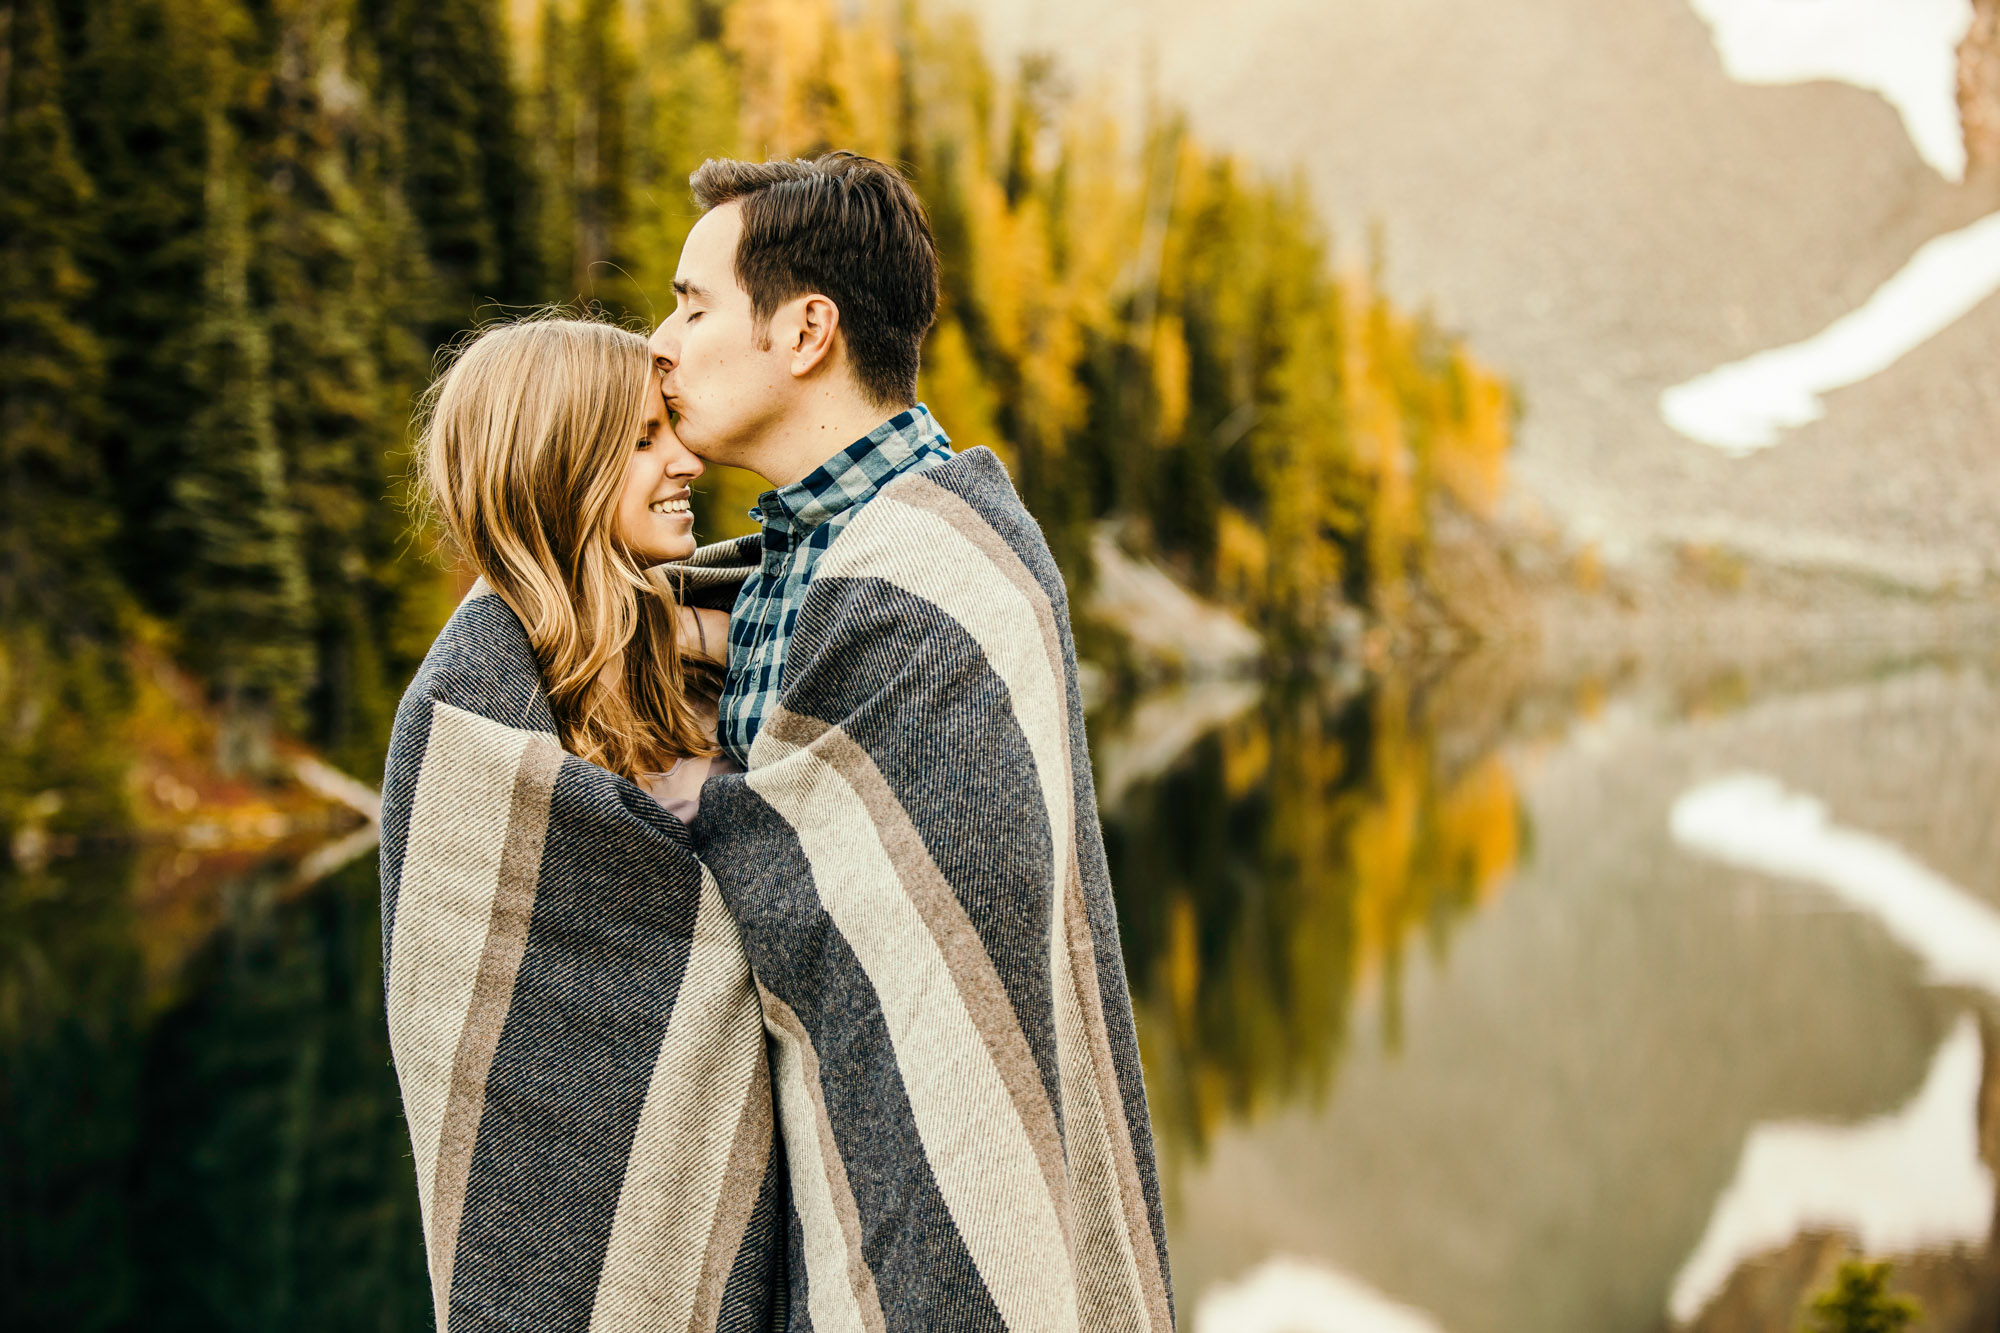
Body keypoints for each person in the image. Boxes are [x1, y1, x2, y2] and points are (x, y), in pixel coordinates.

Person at [654, 153, 1178, 1331]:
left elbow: (922, 910)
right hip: (811, 1141)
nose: (661, 341)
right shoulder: (792, 562)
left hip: (941, 1164)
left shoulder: (946, 571)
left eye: (691, 306)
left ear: (804, 330)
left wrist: (709, 800)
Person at [378, 317, 781, 1333]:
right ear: (559, 467)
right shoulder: (471, 719)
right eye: (643, 440)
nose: (686, 457)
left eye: (671, 430)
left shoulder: (698, 651)